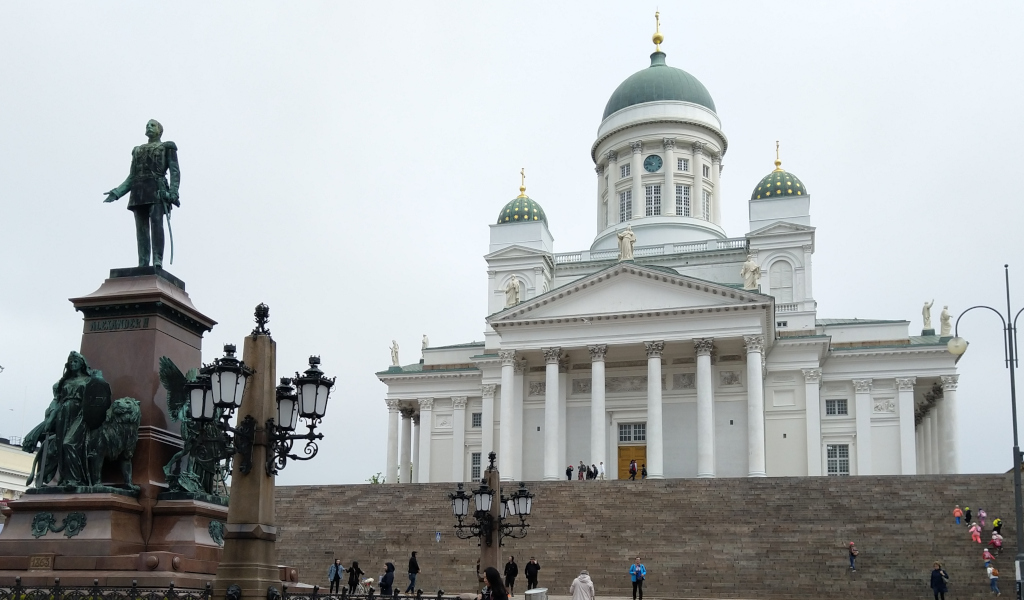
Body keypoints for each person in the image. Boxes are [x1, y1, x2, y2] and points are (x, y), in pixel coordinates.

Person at [104, 119, 181, 267]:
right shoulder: (138, 150)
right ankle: (143, 262)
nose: (149, 127)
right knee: (141, 229)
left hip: (157, 190)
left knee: (157, 224)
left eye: (152, 125)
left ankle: (157, 260)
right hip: (138, 191)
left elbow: (175, 171)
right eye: (147, 125)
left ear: (160, 130)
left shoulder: (167, 147)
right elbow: (132, 176)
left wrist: (173, 192)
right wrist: (117, 192)